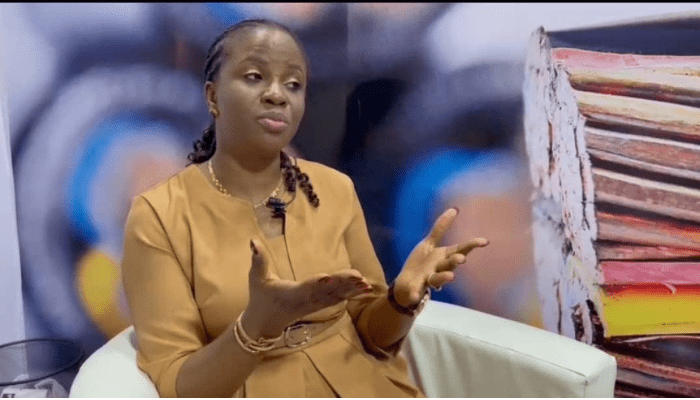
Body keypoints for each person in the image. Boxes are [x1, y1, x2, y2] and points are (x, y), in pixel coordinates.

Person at [121, 18, 488, 398]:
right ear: (214, 97)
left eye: (292, 84)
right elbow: (177, 384)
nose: (276, 95)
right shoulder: (160, 215)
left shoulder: (335, 192)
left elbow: (371, 336)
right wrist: (254, 329)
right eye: (254, 78)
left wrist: (401, 299)